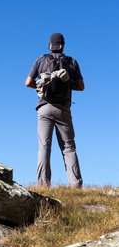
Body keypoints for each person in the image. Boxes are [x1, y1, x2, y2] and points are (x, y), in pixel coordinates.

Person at [25, 33, 84, 188]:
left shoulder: (41, 60)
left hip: (44, 107)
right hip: (63, 109)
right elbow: (81, 87)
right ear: (63, 45)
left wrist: (43, 85)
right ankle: (76, 185)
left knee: (44, 147)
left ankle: (43, 185)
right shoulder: (72, 62)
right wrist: (65, 83)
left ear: (50, 45)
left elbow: (27, 82)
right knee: (68, 147)